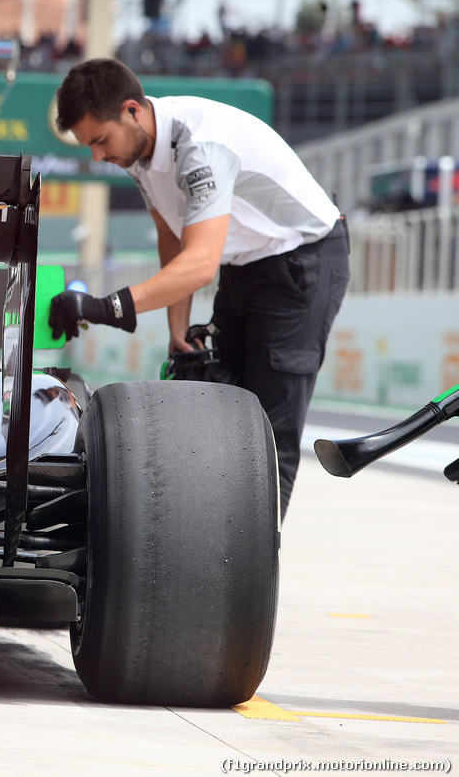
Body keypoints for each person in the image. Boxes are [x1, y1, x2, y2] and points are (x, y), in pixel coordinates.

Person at [47, 58, 349, 522]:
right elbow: (172, 237)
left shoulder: (200, 145)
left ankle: (249, 586)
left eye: (100, 141)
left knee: (267, 437)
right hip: (245, 266)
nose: (97, 157)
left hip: (301, 263)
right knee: (226, 424)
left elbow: (200, 263)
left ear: (132, 111)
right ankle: (215, 557)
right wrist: (177, 327)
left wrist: (105, 307)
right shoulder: (140, 150)